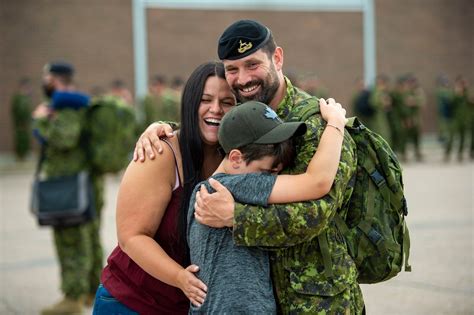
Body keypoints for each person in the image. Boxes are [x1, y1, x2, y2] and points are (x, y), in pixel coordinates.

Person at [135, 19, 364, 314]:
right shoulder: (246, 112)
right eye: (233, 69)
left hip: (316, 299)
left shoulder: (316, 120)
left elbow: (316, 211)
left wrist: (236, 216)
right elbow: (217, 131)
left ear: (277, 58)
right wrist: (163, 129)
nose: (242, 79)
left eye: (252, 65)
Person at [92, 61, 234, 315]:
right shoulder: (161, 152)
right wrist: (180, 277)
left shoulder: (236, 157)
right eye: (205, 99)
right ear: (190, 103)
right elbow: (132, 237)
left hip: (185, 307)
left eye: (227, 102)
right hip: (132, 303)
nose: (216, 109)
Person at [187, 100, 347, 313]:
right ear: (236, 158)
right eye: (268, 172)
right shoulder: (236, 185)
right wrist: (336, 123)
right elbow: (318, 182)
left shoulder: (202, 190)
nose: (274, 177)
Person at [32, 61, 104, 315]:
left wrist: (40, 122)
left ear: (54, 79)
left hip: (70, 183)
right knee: (88, 238)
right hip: (82, 182)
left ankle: (72, 298)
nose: (44, 81)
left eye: (46, 77)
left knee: (71, 240)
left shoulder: (66, 106)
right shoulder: (75, 103)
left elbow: (64, 138)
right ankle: (90, 291)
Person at [10, 77, 33, 160]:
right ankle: (20, 157)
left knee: (26, 139)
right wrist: (20, 123)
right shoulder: (18, 98)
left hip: (25, 124)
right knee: (21, 140)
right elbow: (16, 111)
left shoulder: (26, 98)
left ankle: (24, 156)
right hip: (20, 125)